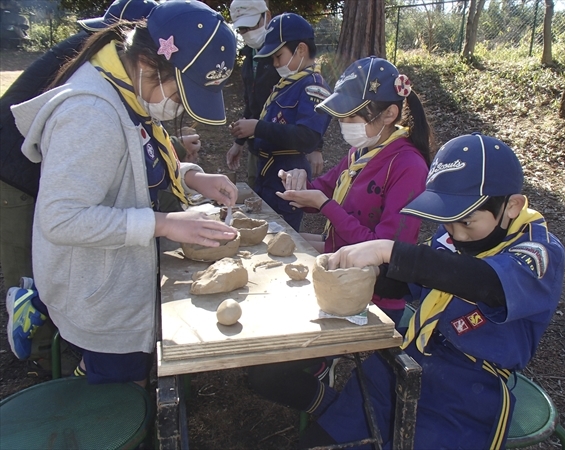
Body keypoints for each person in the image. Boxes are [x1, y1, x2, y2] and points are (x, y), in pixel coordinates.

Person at [7, 1, 239, 385]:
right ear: (148, 64)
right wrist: (162, 223)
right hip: (98, 298)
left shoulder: (128, 89)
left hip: (116, 281)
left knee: (122, 379)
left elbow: (132, 167)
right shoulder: (90, 113)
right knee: (116, 400)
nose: (178, 107)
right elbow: (61, 217)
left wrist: (193, 176)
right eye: (180, 96)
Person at [298, 133, 565, 449]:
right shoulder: (453, 233)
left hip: (468, 389)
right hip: (408, 358)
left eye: (466, 222)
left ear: (512, 206)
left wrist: (391, 251)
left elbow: (485, 282)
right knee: (325, 439)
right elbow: (414, 281)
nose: (456, 234)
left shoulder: (539, 252)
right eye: (447, 222)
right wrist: (364, 273)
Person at [0, 0, 158, 288]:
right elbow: (61, 218)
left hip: (44, 162)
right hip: (13, 170)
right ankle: (35, 330)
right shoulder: (92, 81)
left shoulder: (114, 64)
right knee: (28, 278)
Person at [276, 55, 433, 324]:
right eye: (341, 116)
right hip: (340, 270)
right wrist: (298, 182)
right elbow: (322, 189)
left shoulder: (408, 167)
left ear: (389, 114)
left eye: (352, 115)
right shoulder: (360, 152)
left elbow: (386, 250)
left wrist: (326, 206)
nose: (344, 123)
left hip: (373, 293)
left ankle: (321, 366)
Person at [229, 12, 331, 231]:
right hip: (267, 173)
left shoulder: (313, 87)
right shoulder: (288, 84)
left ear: (301, 50)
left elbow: (308, 138)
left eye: (278, 56)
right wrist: (248, 132)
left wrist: (258, 127)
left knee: (282, 237)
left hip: (288, 177)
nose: (275, 64)